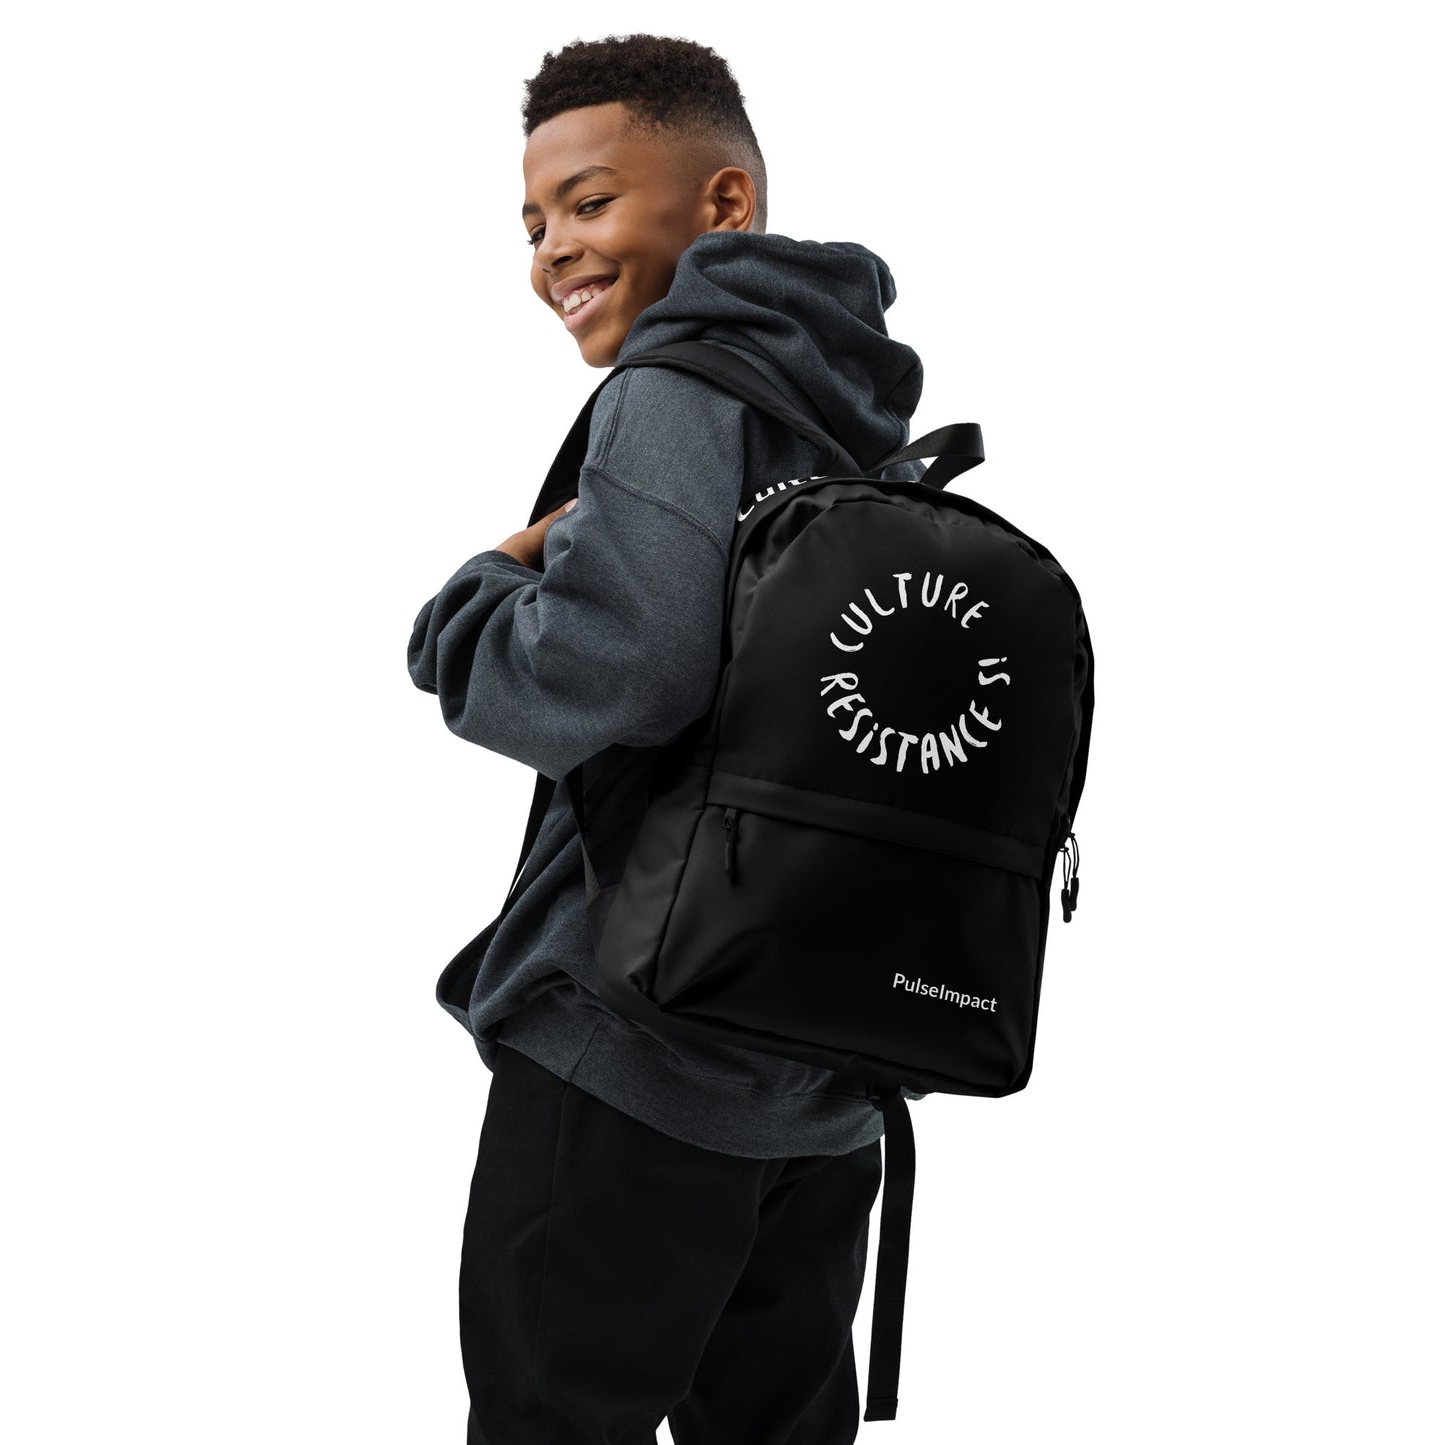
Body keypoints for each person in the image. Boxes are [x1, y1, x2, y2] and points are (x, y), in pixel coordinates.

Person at [406, 33, 927, 1445]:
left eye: (588, 202)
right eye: (533, 224)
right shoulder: (855, 416)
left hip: (631, 1047)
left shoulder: (675, 389)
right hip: (820, 1056)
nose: (553, 252)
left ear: (722, 202)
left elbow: (618, 672)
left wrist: (474, 598)